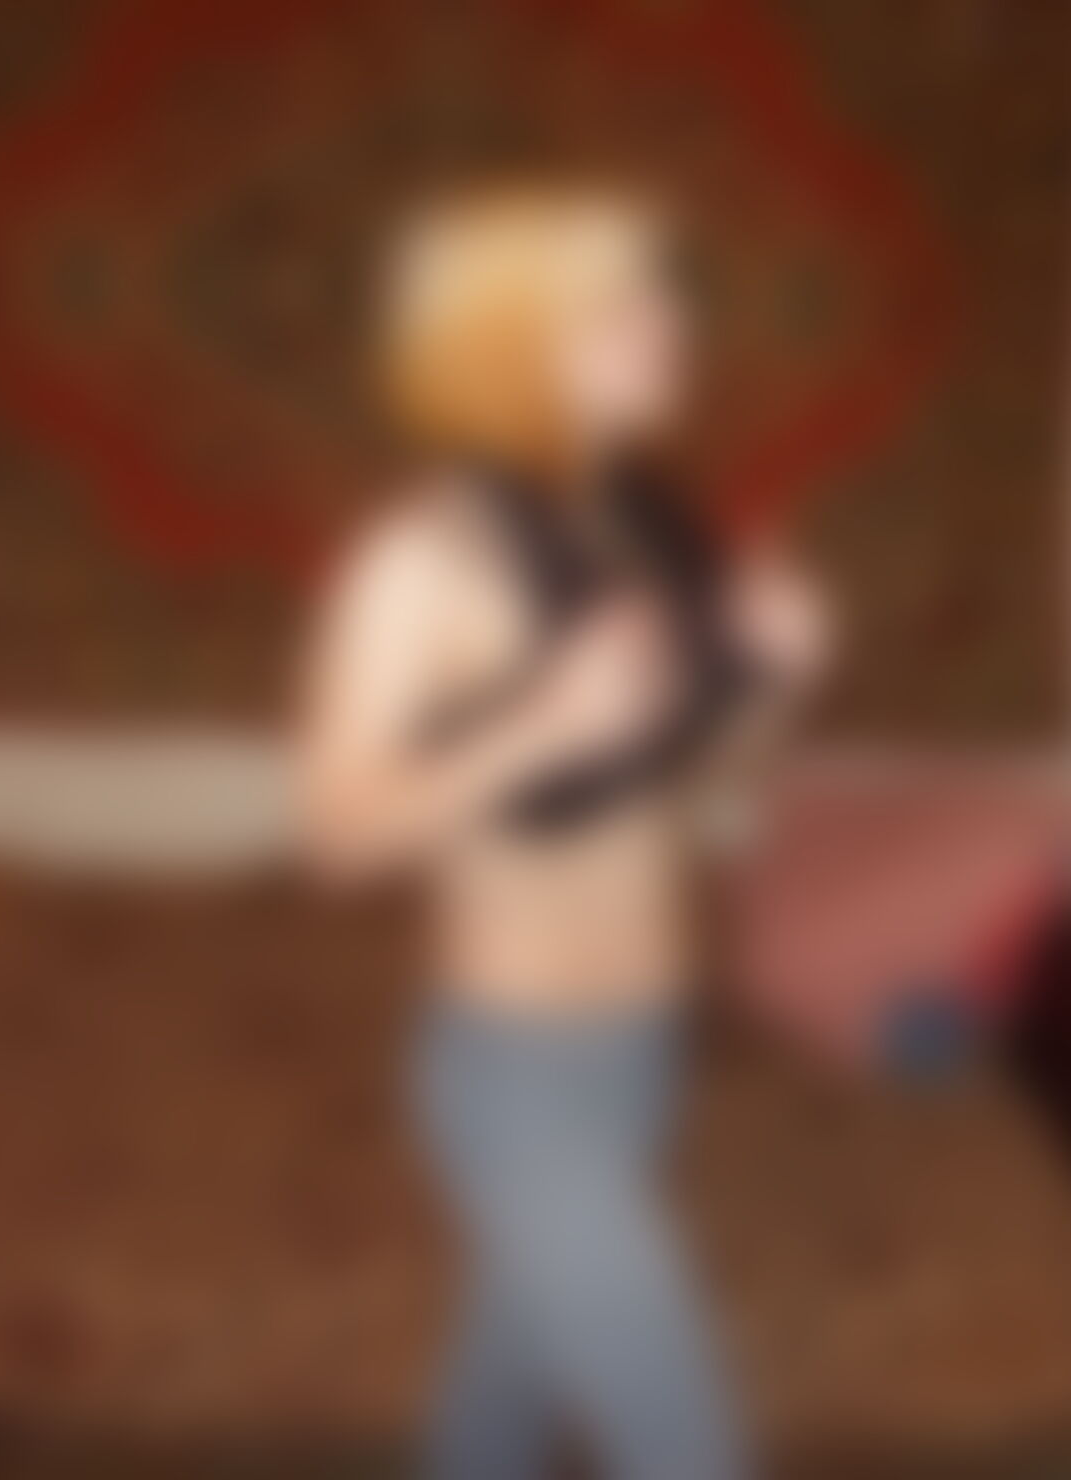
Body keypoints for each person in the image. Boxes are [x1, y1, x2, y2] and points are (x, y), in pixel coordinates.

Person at [294, 181, 832, 1480]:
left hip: (644, 1049)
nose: (676, 323)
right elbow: (334, 838)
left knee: (498, 1406)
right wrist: (535, 726)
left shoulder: (648, 529)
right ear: (518, 341)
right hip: (513, 1074)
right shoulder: (420, 562)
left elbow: (697, 793)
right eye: (634, 303)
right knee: (688, 1450)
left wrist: (778, 680)